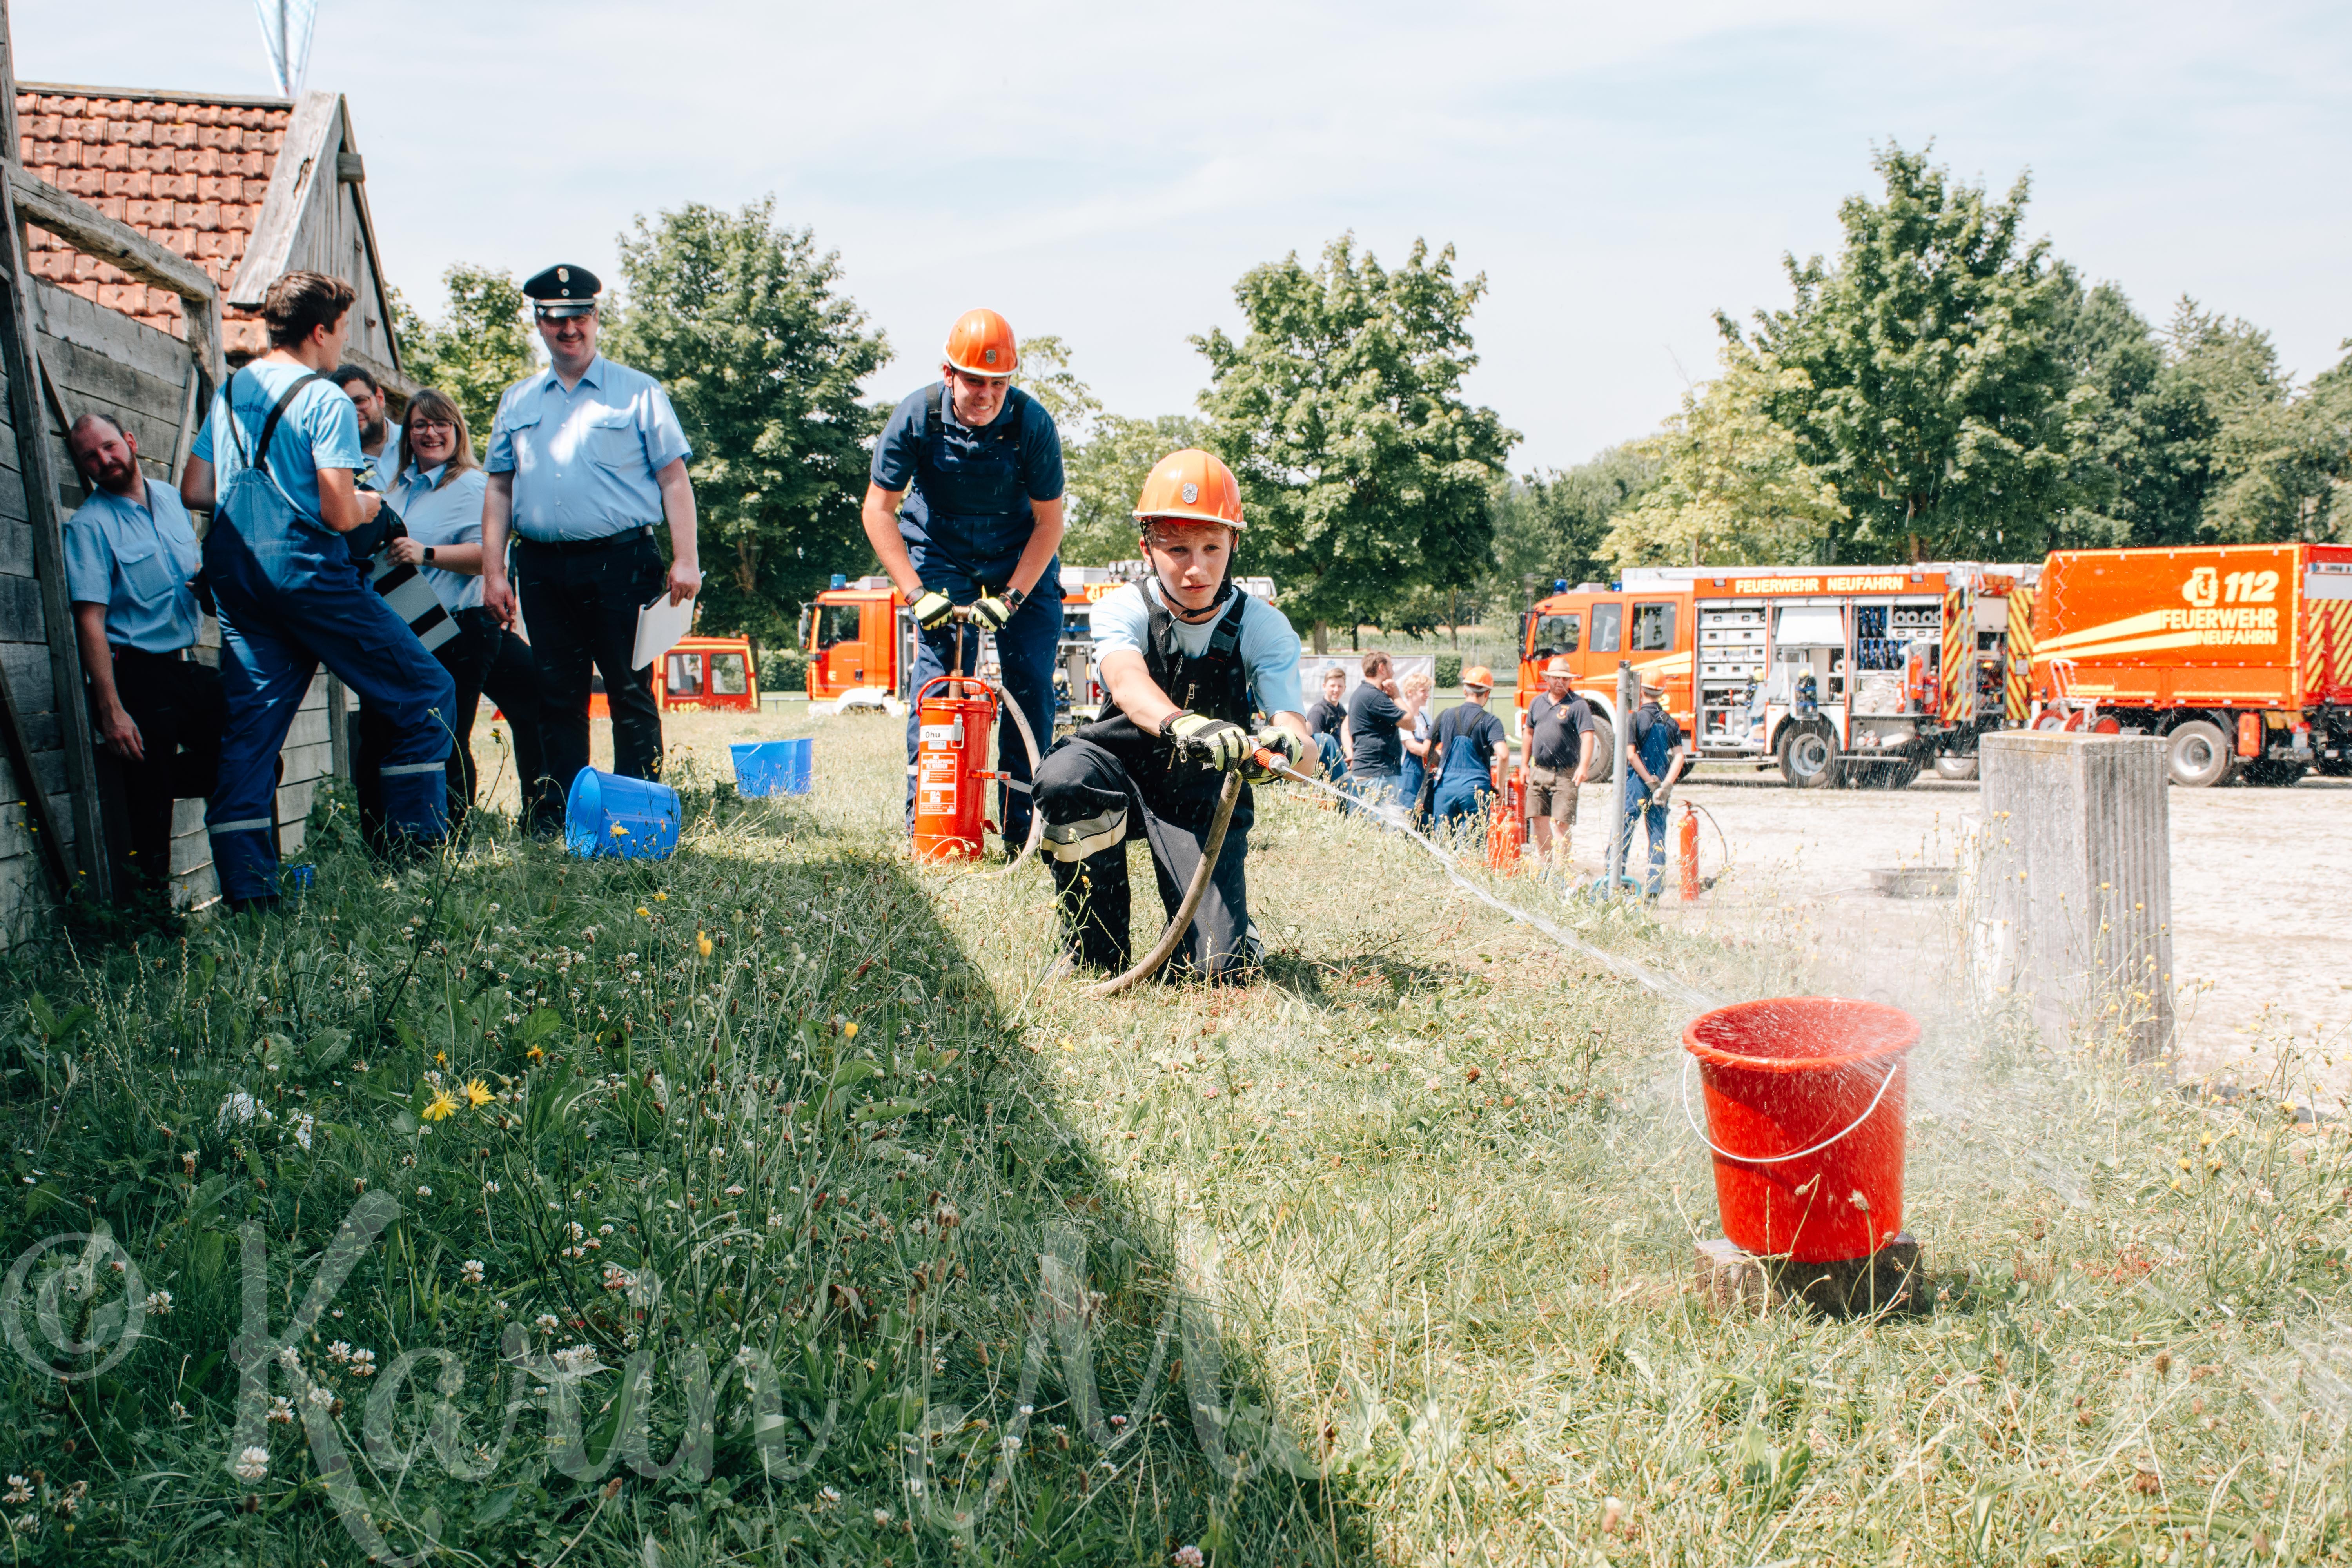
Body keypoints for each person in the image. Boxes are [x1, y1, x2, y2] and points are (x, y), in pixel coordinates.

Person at [180, 270, 454, 909]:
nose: (342, 345)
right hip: (308, 573)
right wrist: (367, 503)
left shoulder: (233, 390)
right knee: (425, 691)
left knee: (251, 738)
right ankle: (416, 863)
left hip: (238, 576)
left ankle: (250, 897)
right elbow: (338, 512)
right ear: (320, 330)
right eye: (343, 331)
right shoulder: (325, 399)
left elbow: (196, 489)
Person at [1033, 450, 1310, 981]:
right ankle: (1093, 949)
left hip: (1200, 796)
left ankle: (1232, 935)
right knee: (1065, 778)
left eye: (1212, 547)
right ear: (1147, 547)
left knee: (1215, 970)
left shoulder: (1265, 626)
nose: (1196, 568)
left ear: (1234, 543)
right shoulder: (1122, 607)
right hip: (1115, 772)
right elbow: (1127, 684)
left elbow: (1299, 736)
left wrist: (1291, 746)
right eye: (1177, 549)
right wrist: (1184, 722)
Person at [479, 265, 700, 828]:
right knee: (557, 695)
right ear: (539, 324)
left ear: (596, 318)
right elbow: (499, 487)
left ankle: (637, 816)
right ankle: (561, 817)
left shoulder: (639, 391)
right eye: (556, 319)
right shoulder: (517, 400)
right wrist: (493, 572)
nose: (569, 329)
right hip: (540, 566)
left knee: (629, 691)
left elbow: (674, 479)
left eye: (579, 316)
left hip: (621, 562)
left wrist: (686, 559)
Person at [862, 309, 1065, 855]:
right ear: (948, 374)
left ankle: (1023, 830)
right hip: (940, 554)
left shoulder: (1032, 424)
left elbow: (1050, 524)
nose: (987, 395)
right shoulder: (916, 416)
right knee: (938, 687)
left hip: (1020, 557)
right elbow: (878, 511)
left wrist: (1012, 598)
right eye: (975, 381)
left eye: (999, 383)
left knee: (1031, 688)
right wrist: (914, 592)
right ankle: (932, 827)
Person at [356, 388, 552, 841]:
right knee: (408, 731)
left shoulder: (474, 486)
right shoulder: (394, 488)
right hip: (410, 625)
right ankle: (398, 836)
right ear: (408, 434)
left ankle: (458, 836)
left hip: (462, 627)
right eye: (420, 425)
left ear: (457, 430)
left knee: (449, 735)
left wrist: (426, 553)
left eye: (441, 423)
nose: (431, 433)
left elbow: (490, 556)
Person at [62, 412, 225, 900]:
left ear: (130, 441)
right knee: (150, 824)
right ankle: (152, 925)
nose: (104, 460)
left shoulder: (174, 500)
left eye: (109, 446)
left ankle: (150, 782)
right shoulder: (89, 526)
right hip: (134, 675)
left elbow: (193, 574)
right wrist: (110, 709)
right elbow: (90, 620)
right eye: (90, 456)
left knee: (254, 752)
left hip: (182, 667)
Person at [1523, 655, 1596, 874]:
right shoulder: (1537, 703)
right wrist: (1525, 765)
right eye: (1556, 678)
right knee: (1539, 821)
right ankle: (1545, 868)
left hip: (1565, 774)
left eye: (1565, 679)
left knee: (1562, 823)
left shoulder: (1578, 705)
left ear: (1570, 681)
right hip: (1539, 771)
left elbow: (1588, 737)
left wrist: (1584, 766)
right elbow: (1528, 734)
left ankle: (1561, 872)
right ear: (1547, 679)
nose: (1560, 682)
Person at [1623, 681, 1688, 897]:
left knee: (1624, 831)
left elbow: (1631, 755)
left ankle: (1613, 883)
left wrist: (1648, 781)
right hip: (1660, 784)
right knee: (1657, 835)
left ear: (1642, 690)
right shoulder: (1670, 722)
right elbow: (1679, 757)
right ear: (1662, 692)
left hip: (1637, 783)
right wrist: (1665, 786)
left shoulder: (1634, 718)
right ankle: (1654, 889)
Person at [1429, 665, 1507, 834]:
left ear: (1465, 691)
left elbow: (1427, 749)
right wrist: (1500, 787)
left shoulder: (1445, 715)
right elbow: (1503, 754)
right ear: (1487, 693)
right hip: (1475, 790)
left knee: (1442, 843)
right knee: (1471, 845)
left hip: (1446, 788)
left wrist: (1441, 762)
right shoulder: (1490, 721)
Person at [1344, 650, 1417, 817]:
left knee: (1364, 828)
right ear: (1382, 668)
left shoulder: (1361, 693)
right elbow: (1410, 723)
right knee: (1382, 828)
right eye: (1392, 666)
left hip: (1367, 772)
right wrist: (1396, 696)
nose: (1394, 671)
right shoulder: (1374, 696)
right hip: (1378, 774)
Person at [332, 364, 401, 490]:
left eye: (360, 401)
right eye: (344, 407)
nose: (354, 412)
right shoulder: (338, 464)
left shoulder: (415, 442)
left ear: (380, 398)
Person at [1397, 668, 1435, 819]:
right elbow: (1412, 747)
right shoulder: (1403, 717)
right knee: (1406, 815)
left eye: (1428, 691)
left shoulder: (1426, 718)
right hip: (1407, 777)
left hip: (1424, 776)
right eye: (1423, 691)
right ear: (1410, 692)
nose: (1427, 695)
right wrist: (1437, 755)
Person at [1304, 665, 1349, 782]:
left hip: (1340, 767)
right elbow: (1317, 749)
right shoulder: (1318, 712)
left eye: (1340, 686)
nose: (1336, 690)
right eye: (1333, 686)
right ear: (1324, 687)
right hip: (1325, 776)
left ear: (1345, 688)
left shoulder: (1341, 710)